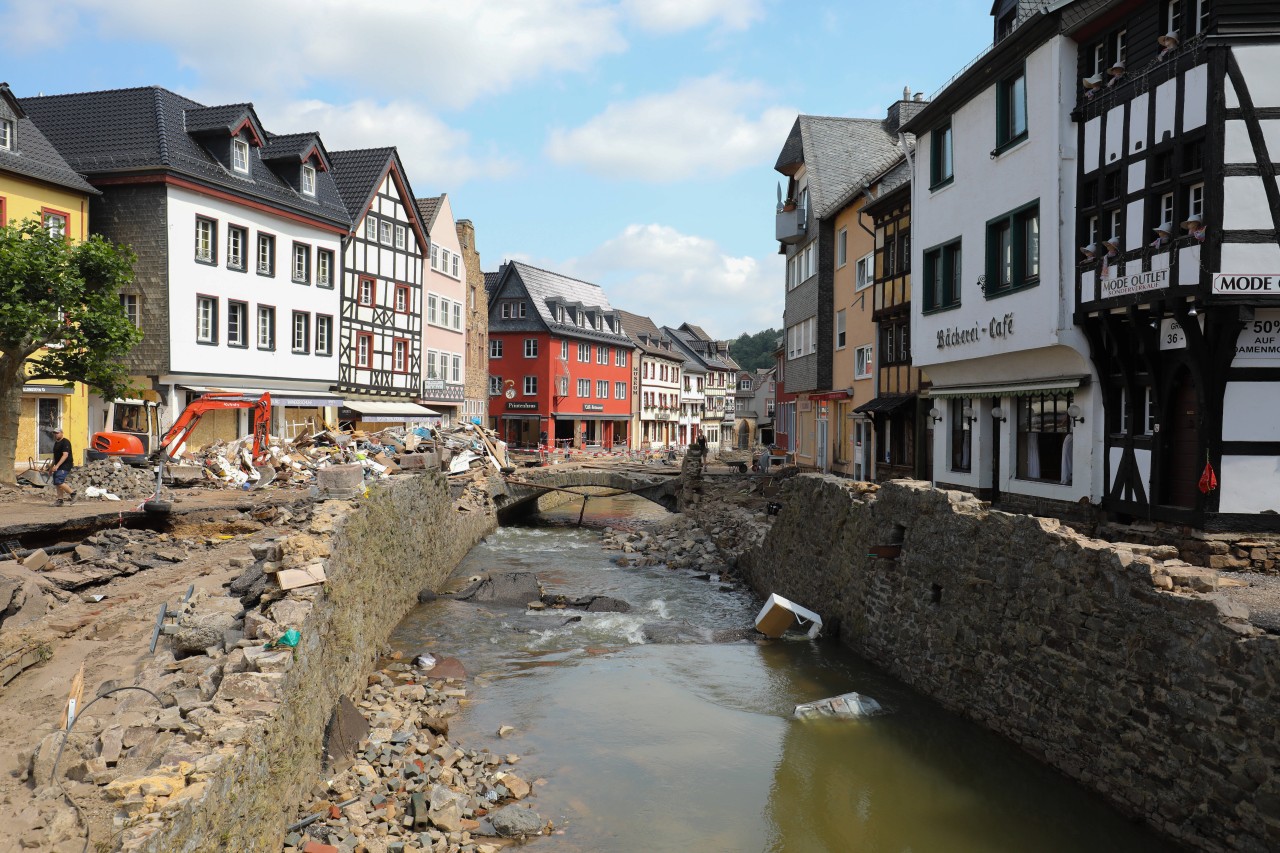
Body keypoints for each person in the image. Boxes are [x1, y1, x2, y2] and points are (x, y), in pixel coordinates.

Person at [50, 428, 76, 506]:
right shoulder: (56, 443)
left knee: (59, 481)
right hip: (58, 465)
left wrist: (57, 466)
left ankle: (73, 494)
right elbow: (55, 457)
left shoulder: (65, 442)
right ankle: (60, 500)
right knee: (57, 482)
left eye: (57, 433)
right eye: (55, 433)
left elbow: (65, 455)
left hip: (66, 464)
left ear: (62, 433)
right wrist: (51, 467)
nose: (56, 434)